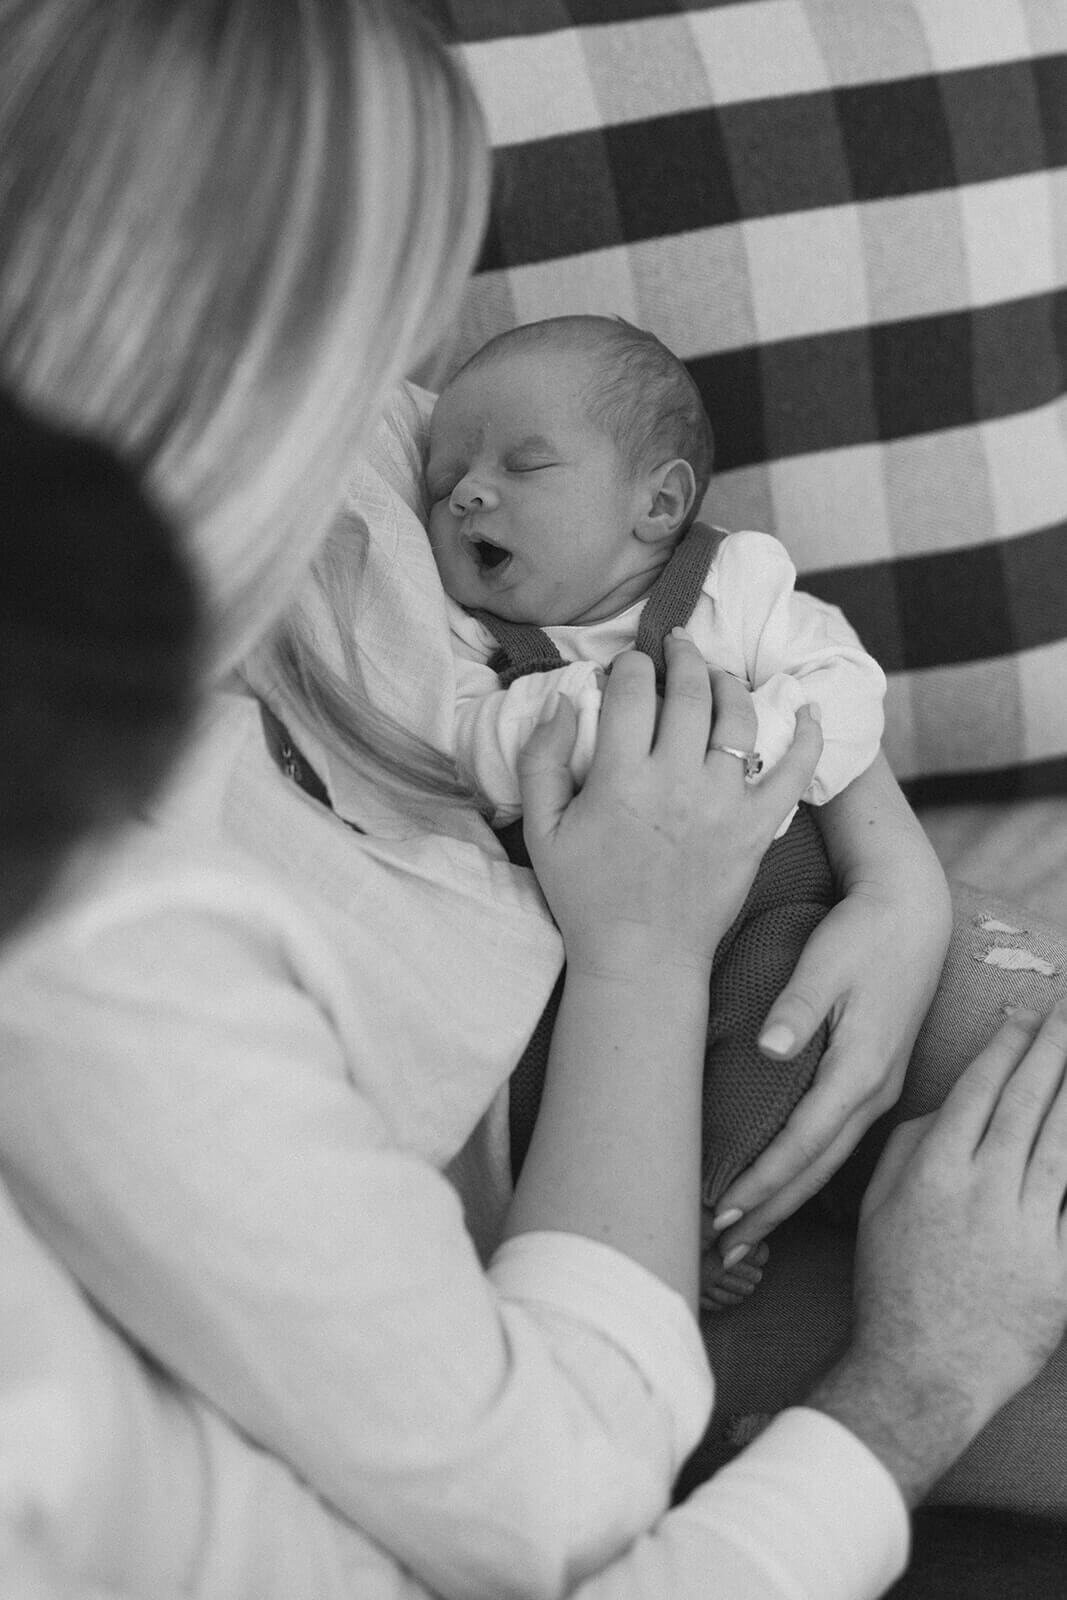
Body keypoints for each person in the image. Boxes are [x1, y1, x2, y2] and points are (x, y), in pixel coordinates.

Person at [0, 5, 1064, 1599]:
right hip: (555, 1184)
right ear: (214, 323)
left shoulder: (352, 444)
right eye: (362, 318)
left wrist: (884, 858)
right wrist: (919, 1375)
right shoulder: (99, 917)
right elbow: (557, 1498)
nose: (418, 430)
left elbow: (649, 584)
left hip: (662, 974)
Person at [424, 314, 896, 1302]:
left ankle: (734, 1193)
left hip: (775, 894)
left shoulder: (736, 584)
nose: (467, 489)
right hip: (587, 956)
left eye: (525, 465)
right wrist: (591, 720)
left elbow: (845, 683)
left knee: (781, 1026)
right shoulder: (473, 654)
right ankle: (679, 1224)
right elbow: (476, 752)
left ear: (657, 503)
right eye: (443, 483)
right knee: (543, 1076)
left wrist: (748, 758)